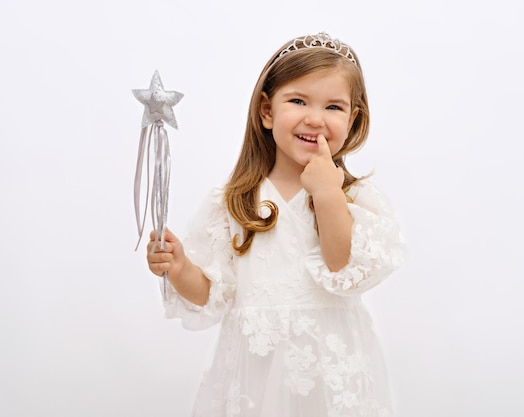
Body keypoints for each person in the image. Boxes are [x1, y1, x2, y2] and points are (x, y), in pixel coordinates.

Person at [146, 31, 407, 417]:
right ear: (267, 111)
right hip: (255, 373)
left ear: (352, 119)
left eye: (333, 107)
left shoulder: (354, 199)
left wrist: (327, 194)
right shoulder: (234, 201)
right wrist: (181, 267)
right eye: (298, 100)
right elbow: (212, 293)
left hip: (329, 374)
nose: (315, 118)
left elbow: (342, 266)